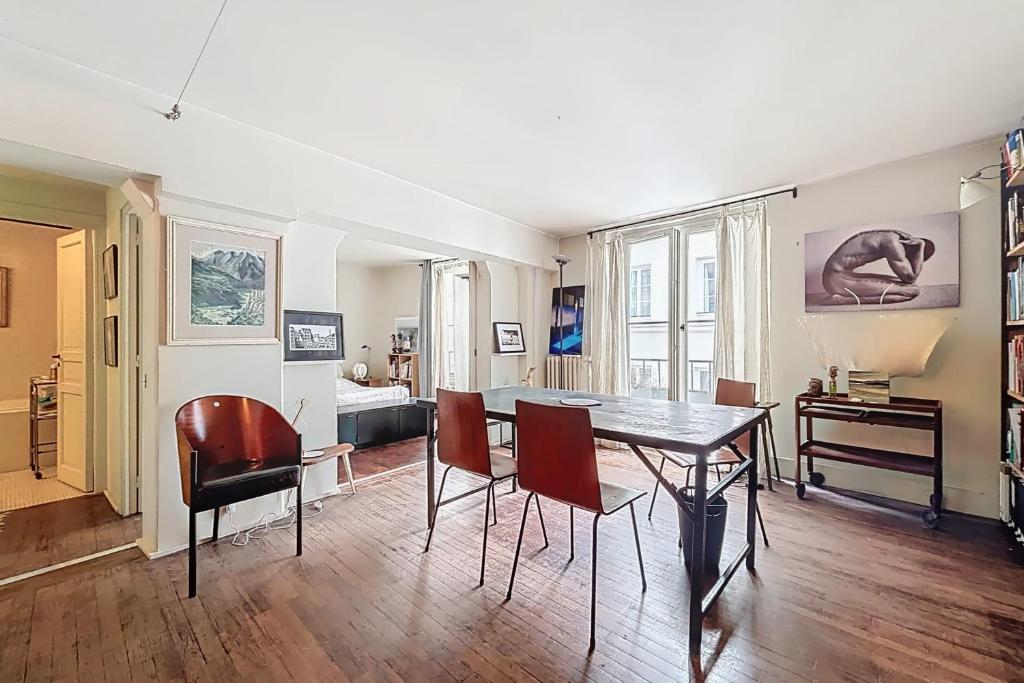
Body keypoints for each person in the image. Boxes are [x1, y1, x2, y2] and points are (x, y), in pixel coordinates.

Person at [820, 229, 934, 305]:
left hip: (841, 275)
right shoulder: (893, 244)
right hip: (835, 280)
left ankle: (843, 295)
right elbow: (910, 277)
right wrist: (921, 245)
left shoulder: (893, 236)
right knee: (912, 291)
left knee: (908, 286)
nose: (907, 262)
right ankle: (842, 300)